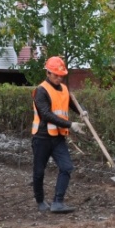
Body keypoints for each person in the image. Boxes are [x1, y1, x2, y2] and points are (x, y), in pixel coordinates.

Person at [31, 56, 88, 213]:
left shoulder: (64, 89)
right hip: (42, 138)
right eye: (55, 75)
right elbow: (46, 115)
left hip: (58, 137)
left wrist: (82, 111)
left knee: (67, 167)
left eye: (61, 75)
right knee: (39, 171)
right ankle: (40, 200)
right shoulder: (40, 91)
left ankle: (58, 202)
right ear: (48, 73)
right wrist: (71, 124)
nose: (58, 78)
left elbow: (73, 104)